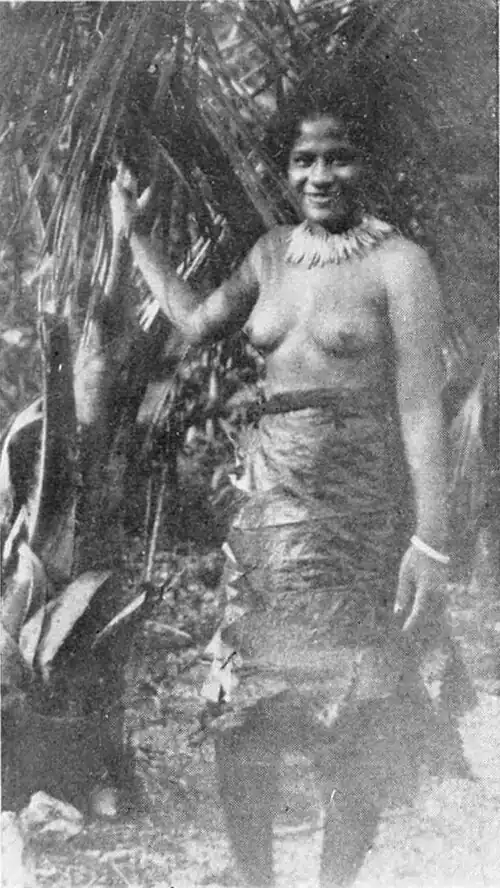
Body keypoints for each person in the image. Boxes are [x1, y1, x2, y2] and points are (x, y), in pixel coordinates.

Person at [110, 75, 470, 886]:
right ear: (285, 170)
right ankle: (255, 879)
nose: (319, 176)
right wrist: (134, 238)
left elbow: (421, 412)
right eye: (304, 159)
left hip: (357, 509)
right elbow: (196, 321)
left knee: (361, 706)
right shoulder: (269, 255)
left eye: (338, 158)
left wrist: (431, 545)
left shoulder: (401, 266)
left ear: (363, 163)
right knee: (246, 708)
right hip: (266, 513)